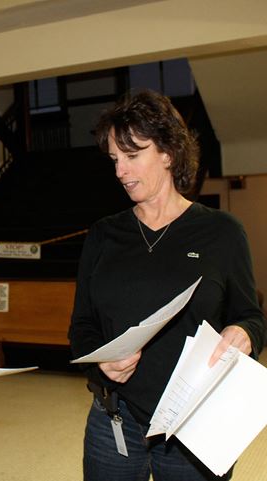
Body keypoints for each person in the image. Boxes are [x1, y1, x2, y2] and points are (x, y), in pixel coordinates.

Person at [69, 89, 265, 481]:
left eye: (132, 155)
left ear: (168, 153)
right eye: (114, 159)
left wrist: (244, 333)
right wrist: (100, 360)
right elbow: (81, 328)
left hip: (196, 423)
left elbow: (252, 318)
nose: (120, 171)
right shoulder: (104, 234)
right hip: (114, 421)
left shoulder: (222, 232)